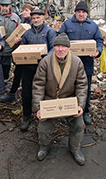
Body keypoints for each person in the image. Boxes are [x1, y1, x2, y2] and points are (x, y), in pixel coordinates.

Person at [32, 33, 88, 165]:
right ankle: (44, 147)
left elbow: (82, 85)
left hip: (70, 100)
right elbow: (38, 85)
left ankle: (75, 148)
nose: (60, 49)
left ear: (68, 48)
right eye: (57, 46)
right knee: (44, 127)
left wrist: (80, 105)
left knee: (79, 125)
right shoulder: (45, 61)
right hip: (50, 100)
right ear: (54, 47)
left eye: (63, 46)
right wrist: (38, 108)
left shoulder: (76, 62)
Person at [58, 1, 103, 125]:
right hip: (68, 62)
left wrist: (98, 51)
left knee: (86, 88)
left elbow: (99, 40)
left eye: (83, 12)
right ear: (75, 13)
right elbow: (59, 37)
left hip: (86, 63)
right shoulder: (67, 24)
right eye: (79, 12)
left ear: (87, 14)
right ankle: (66, 111)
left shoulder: (93, 26)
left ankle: (85, 111)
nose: (81, 14)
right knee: (67, 87)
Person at [19, 9, 56, 132]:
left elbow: (53, 49)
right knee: (26, 93)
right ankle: (27, 116)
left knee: (45, 92)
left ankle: (45, 115)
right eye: (33, 18)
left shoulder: (49, 32)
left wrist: (44, 58)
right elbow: (21, 48)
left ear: (43, 18)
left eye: (38, 18)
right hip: (28, 68)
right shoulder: (27, 33)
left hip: (44, 68)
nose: (35, 20)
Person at [0, 3, 34, 103]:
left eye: (26, 10)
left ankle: (26, 97)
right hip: (20, 51)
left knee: (27, 76)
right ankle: (12, 93)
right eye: (23, 10)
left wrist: (22, 39)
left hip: (29, 53)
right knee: (17, 72)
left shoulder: (33, 22)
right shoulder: (22, 20)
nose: (24, 12)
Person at [0, 0, 21, 89]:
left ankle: (4, 85)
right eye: (3, 6)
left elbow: (19, 30)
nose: (5, 8)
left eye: (6, 6)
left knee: (6, 67)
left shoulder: (15, 17)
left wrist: (18, 39)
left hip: (9, 46)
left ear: (10, 6)